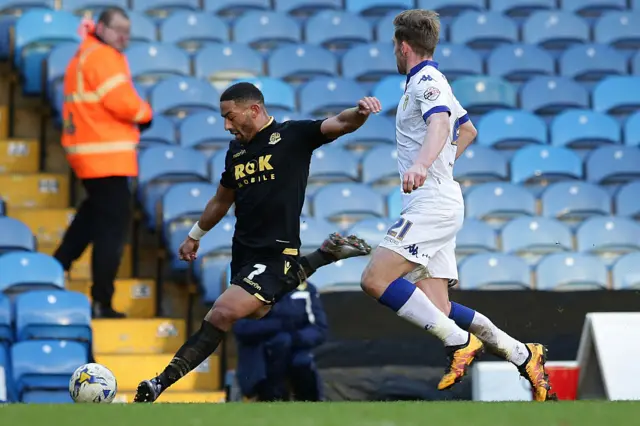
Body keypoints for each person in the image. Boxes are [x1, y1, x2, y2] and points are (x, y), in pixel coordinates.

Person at [133, 82, 381, 402]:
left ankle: (158, 384)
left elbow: (341, 123)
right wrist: (194, 236)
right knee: (255, 313)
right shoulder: (235, 152)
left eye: (230, 117)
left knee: (222, 312)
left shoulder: (292, 136)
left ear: (254, 109)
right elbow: (221, 201)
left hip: (276, 252)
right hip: (244, 252)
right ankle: (323, 255)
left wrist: (360, 112)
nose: (226, 126)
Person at [360, 9, 556, 401]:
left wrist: (422, 164)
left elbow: (438, 124)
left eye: (394, 49)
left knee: (375, 280)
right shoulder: (436, 81)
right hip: (441, 197)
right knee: (438, 307)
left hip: (431, 204)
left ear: (402, 46)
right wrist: (442, 163)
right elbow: (466, 129)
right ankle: (523, 354)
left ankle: (459, 343)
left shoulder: (426, 82)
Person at [55, 7, 153, 319]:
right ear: (101, 27)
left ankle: (56, 268)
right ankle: (102, 301)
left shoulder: (87, 54)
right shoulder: (103, 57)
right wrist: (145, 114)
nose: (124, 36)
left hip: (91, 153)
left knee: (91, 217)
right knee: (111, 230)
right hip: (105, 157)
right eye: (118, 29)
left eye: (127, 30)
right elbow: (123, 101)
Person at [233, 281, 328, 402]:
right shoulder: (250, 288)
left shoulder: (305, 290)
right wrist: (277, 326)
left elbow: (319, 329)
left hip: (296, 353)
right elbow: (241, 327)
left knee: (302, 365)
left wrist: (295, 338)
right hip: (262, 356)